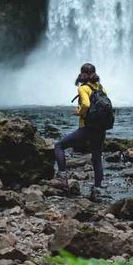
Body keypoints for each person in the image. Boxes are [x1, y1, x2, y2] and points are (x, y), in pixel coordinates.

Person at [54, 63, 109, 195]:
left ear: (82, 74)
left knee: (59, 146)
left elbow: (86, 104)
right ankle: (97, 188)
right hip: (100, 128)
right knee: (96, 158)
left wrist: (79, 112)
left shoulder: (83, 88)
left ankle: (62, 176)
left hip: (87, 128)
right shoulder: (101, 88)